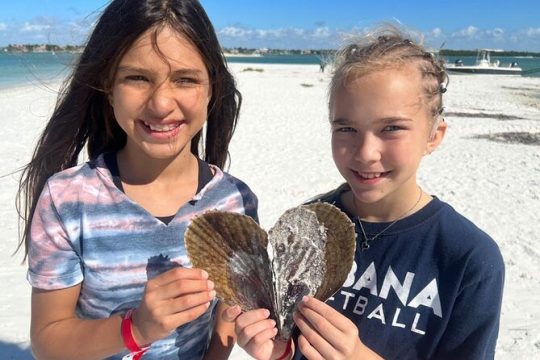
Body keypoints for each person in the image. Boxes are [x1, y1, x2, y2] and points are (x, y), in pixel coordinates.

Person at [224, 26, 504, 359]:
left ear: (434, 135)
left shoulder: (469, 259)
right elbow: (291, 340)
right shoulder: (310, 225)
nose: (366, 152)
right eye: (347, 129)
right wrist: (278, 350)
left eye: (391, 128)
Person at [16, 0, 258, 359]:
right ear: (108, 85)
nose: (161, 104)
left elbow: (228, 310)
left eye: (185, 79)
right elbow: (49, 341)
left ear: (211, 88)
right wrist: (136, 328)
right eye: (137, 77)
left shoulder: (235, 201)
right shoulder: (68, 199)